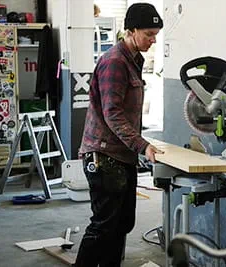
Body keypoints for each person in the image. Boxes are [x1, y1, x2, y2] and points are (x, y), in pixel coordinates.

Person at [74, 3, 164, 267]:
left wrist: (138, 145)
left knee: (122, 224)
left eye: (155, 34)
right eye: (148, 33)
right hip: (104, 155)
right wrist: (141, 145)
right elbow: (112, 112)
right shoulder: (114, 62)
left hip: (121, 156)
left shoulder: (133, 60)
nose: (153, 39)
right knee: (104, 225)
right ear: (131, 30)